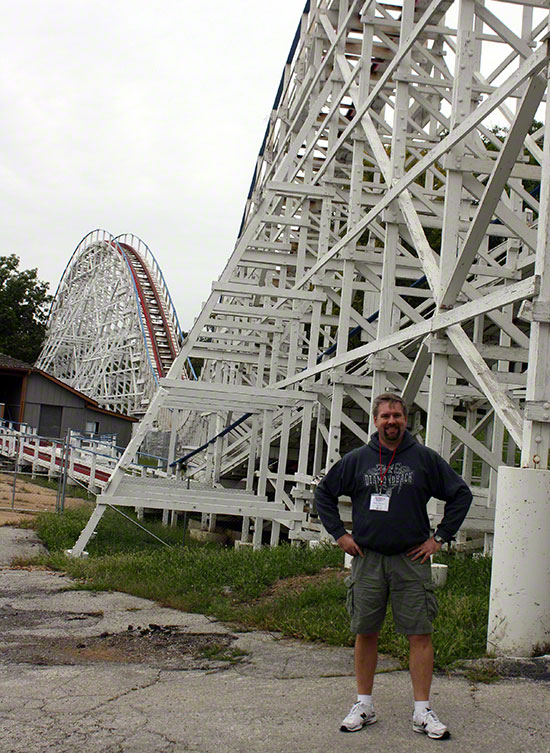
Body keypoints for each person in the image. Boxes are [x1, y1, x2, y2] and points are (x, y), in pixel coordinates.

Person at [314, 392, 472, 740]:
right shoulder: (357, 460)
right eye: (385, 416)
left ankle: (422, 710)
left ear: (405, 419)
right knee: (365, 631)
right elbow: (323, 493)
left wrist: (440, 537)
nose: (391, 421)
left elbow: (461, 494)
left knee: (420, 633)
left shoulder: (424, 459)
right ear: (375, 420)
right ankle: (364, 704)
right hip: (367, 559)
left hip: (410, 559)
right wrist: (339, 534)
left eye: (397, 416)